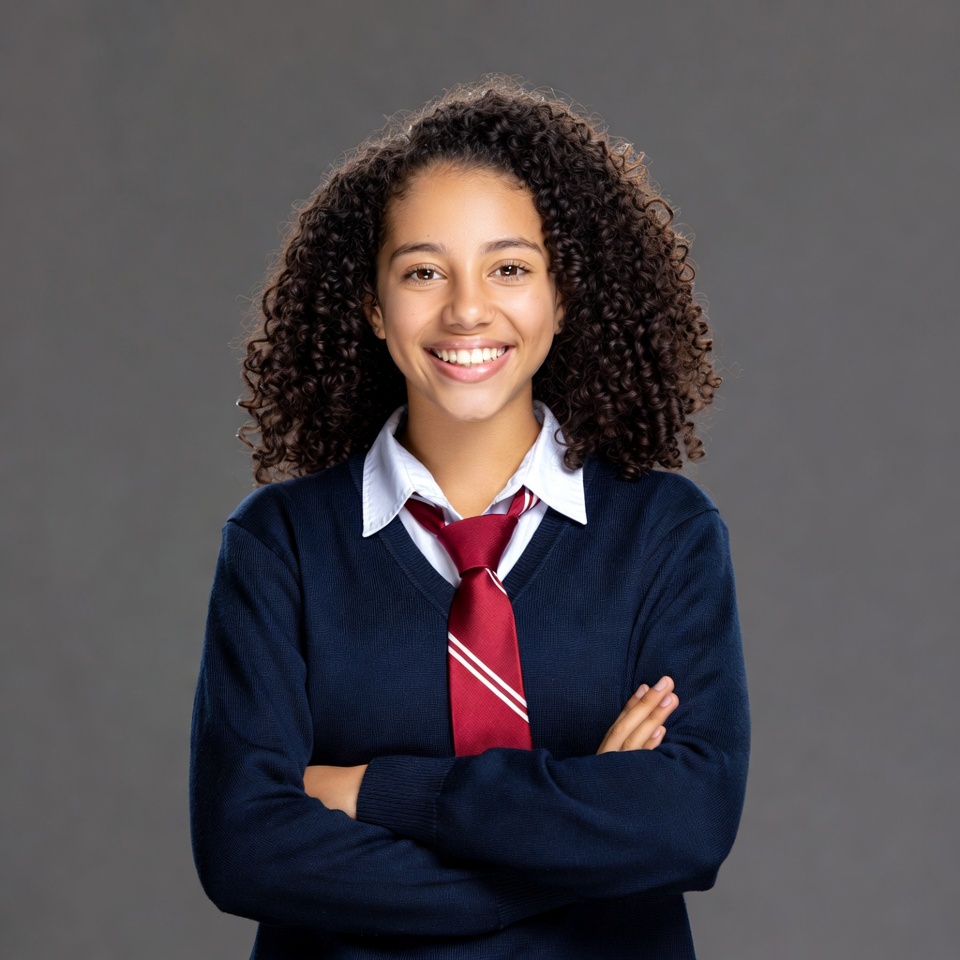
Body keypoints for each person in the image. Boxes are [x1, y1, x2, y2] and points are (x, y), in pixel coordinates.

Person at [190, 76, 750, 959]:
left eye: (510, 267)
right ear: (373, 306)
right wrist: (577, 832)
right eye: (422, 271)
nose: (466, 309)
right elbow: (246, 849)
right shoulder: (281, 545)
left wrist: (378, 793)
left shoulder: (664, 535)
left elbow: (686, 827)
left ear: (563, 298)